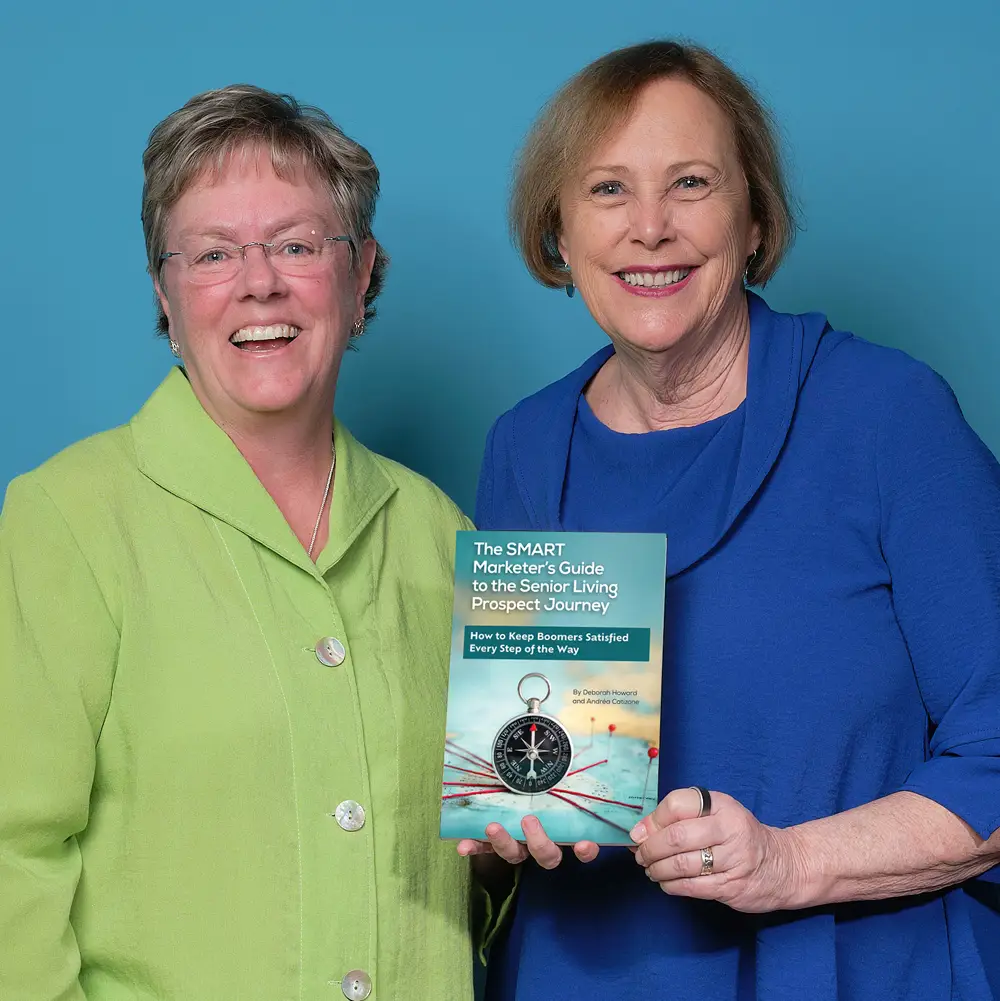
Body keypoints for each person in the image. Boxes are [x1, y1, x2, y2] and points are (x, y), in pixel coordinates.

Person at [459, 40, 1000, 1000]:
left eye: (692, 183)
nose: (651, 227)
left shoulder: (889, 415)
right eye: (609, 190)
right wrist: (505, 831)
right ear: (561, 233)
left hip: (846, 972)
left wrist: (788, 863)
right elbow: (526, 772)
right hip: (578, 975)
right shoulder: (527, 447)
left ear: (754, 220)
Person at [0, 85, 480, 1000]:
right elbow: (7, 858)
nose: (259, 281)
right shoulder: (66, 518)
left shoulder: (440, 531)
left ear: (362, 272)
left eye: (298, 244)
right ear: (165, 294)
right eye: (214, 252)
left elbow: (476, 867)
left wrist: (513, 850)